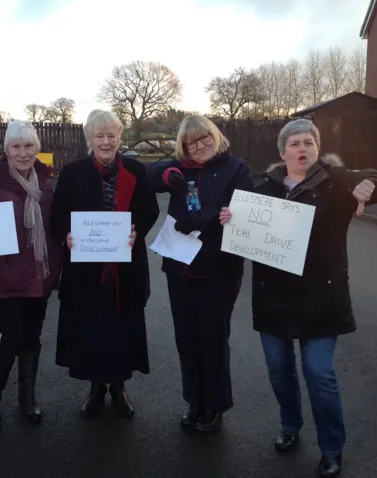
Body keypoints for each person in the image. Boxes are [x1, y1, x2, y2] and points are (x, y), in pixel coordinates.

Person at [220, 118, 377, 476]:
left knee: (319, 373)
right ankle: (290, 426)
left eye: (308, 143)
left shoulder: (338, 182)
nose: (302, 149)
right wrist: (231, 220)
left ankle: (332, 448)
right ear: (282, 152)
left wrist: (370, 187)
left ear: (317, 149)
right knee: (280, 371)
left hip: (320, 298)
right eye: (295, 143)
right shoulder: (264, 190)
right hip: (274, 298)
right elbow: (244, 228)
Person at [146, 114, 253, 433]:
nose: (201, 145)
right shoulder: (180, 167)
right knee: (186, 337)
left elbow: (242, 212)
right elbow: (149, 176)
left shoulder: (236, 168)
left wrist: (203, 220)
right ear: (184, 145)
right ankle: (194, 400)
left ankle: (215, 405)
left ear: (216, 136)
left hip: (218, 269)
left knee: (212, 337)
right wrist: (170, 176)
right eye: (192, 141)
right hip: (180, 267)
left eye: (205, 137)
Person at [51, 109, 159, 418]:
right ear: (89, 139)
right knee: (92, 331)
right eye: (100, 135)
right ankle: (96, 387)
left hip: (125, 269)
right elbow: (59, 215)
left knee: (122, 330)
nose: (106, 141)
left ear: (119, 138)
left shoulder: (137, 171)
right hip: (86, 270)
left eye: (111, 135)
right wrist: (67, 237)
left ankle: (119, 387)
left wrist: (137, 230)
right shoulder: (73, 172)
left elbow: (149, 210)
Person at [0, 120, 61, 430]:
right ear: (6, 150)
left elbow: (57, 230)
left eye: (29, 146)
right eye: (16, 146)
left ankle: (27, 399)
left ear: (37, 149)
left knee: (32, 339)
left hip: (40, 279)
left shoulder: (46, 186)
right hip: (8, 281)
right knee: (11, 339)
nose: (23, 153)